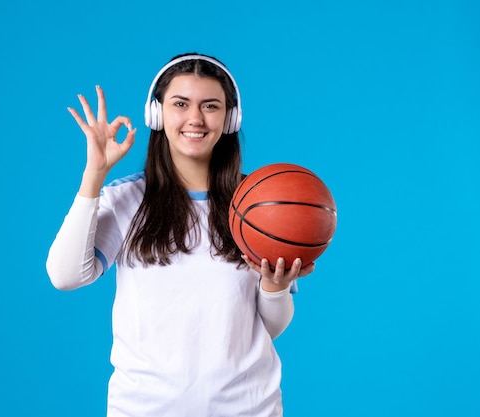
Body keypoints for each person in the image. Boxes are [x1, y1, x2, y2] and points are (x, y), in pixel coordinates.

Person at [46, 53, 315, 416]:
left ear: (230, 118)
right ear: (157, 114)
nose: (195, 119)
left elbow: (271, 327)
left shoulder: (259, 205)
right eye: (180, 104)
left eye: (211, 106)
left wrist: (275, 286)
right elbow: (65, 276)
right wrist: (94, 174)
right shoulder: (128, 199)